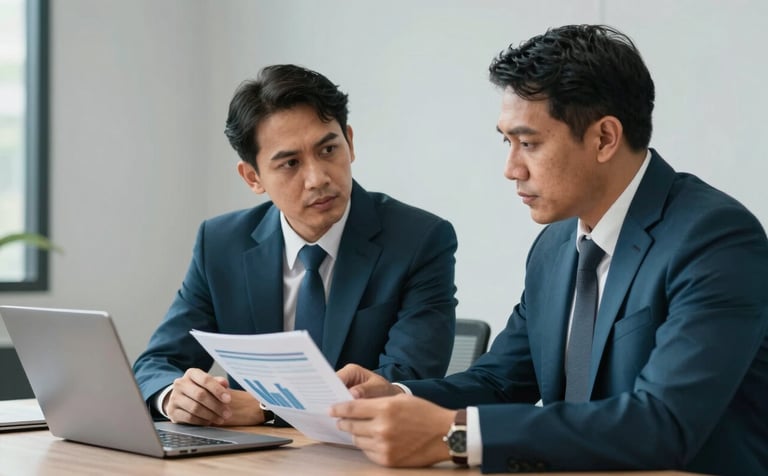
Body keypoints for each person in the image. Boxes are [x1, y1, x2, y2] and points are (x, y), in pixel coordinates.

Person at [330, 24, 768, 476]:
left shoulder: (716, 239)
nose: (510, 168)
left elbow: (663, 423)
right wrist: (397, 398)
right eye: (507, 141)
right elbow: (500, 382)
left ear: (604, 138)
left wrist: (455, 435)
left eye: (529, 143)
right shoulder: (555, 246)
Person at [133, 64, 458, 427]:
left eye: (328, 150)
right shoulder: (221, 244)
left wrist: (266, 409)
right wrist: (174, 398)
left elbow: (402, 383)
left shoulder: (419, 240)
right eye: (290, 163)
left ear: (350, 143)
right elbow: (155, 365)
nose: (318, 178)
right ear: (253, 177)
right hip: (253, 459)